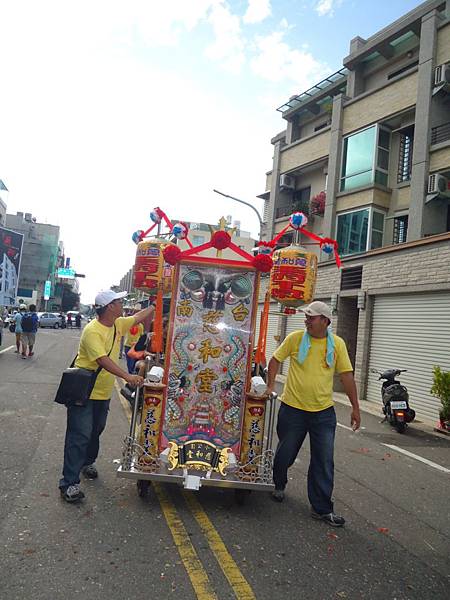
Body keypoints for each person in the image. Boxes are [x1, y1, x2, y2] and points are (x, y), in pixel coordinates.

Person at [266, 301, 360, 527]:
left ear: (325, 321)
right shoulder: (296, 338)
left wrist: (355, 407)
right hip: (293, 409)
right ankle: (279, 483)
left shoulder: (336, 344)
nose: (307, 320)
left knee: (324, 460)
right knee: (285, 455)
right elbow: (275, 360)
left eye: (312, 317)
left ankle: (322, 508)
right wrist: (270, 386)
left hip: (323, 412)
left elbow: (346, 376)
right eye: (306, 317)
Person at [58, 289, 154, 503]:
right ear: (110, 306)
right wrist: (127, 376)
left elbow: (138, 316)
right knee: (79, 434)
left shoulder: (117, 324)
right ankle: (69, 483)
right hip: (83, 391)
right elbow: (102, 359)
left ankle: (86, 462)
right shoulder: (92, 330)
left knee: (96, 430)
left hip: (102, 393)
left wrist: (156, 303)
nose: (123, 304)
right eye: (119, 302)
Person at [123, 309, 144, 373]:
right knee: (129, 363)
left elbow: (141, 336)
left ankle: (132, 374)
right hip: (127, 345)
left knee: (133, 363)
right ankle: (131, 374)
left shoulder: (140, 326)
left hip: (135, 347)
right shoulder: (128, 324)